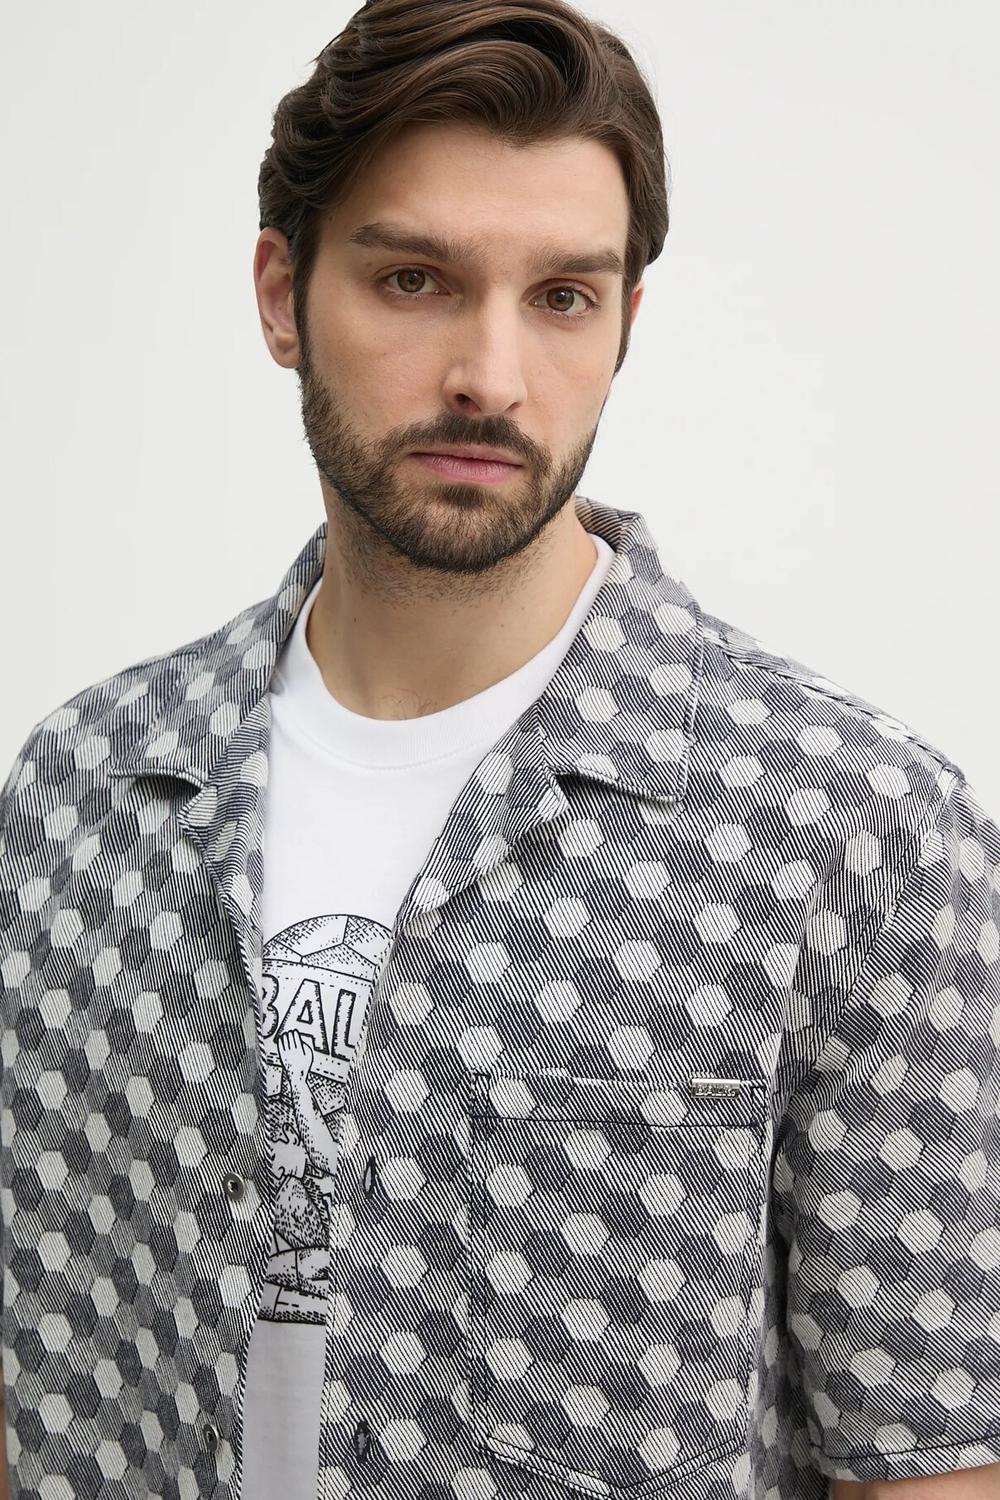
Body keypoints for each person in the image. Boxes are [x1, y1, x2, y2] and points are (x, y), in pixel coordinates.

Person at [1, 1, 998, 1498]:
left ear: (625, 325)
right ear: (282, 296)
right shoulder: (81, 792)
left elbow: (930, 1461)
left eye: (562, 297)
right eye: (414, 280)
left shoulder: (852, 830)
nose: (490, 374)